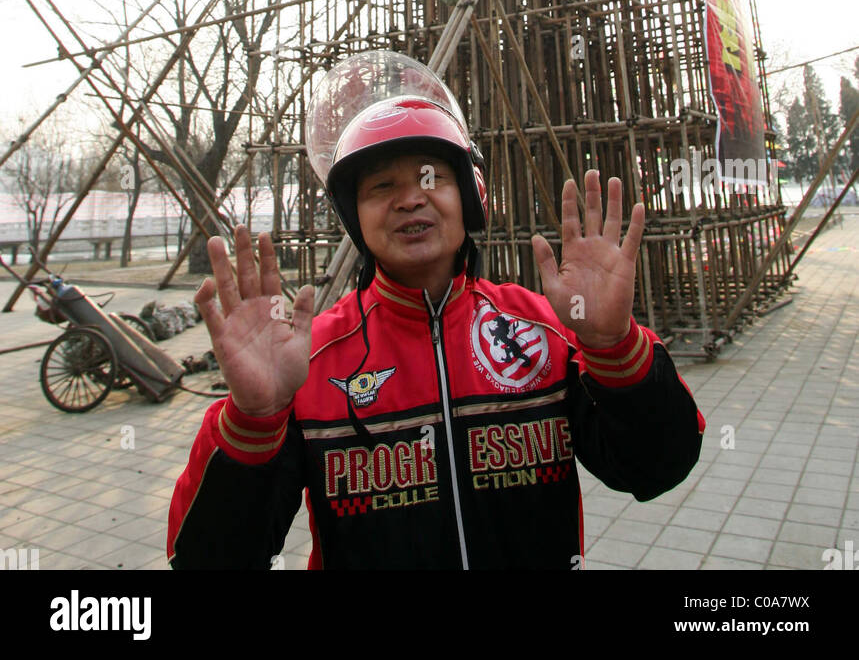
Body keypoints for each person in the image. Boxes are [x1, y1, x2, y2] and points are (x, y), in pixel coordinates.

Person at [167, 51, 704, 570]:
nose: (410, 199)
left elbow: (656, 469)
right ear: (355, 218)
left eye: (432, 178)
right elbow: (211, 561)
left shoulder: (539, 333)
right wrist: (255, 421)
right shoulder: (310, 363)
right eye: (381, 187)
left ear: (471, 195)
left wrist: (614, 347)